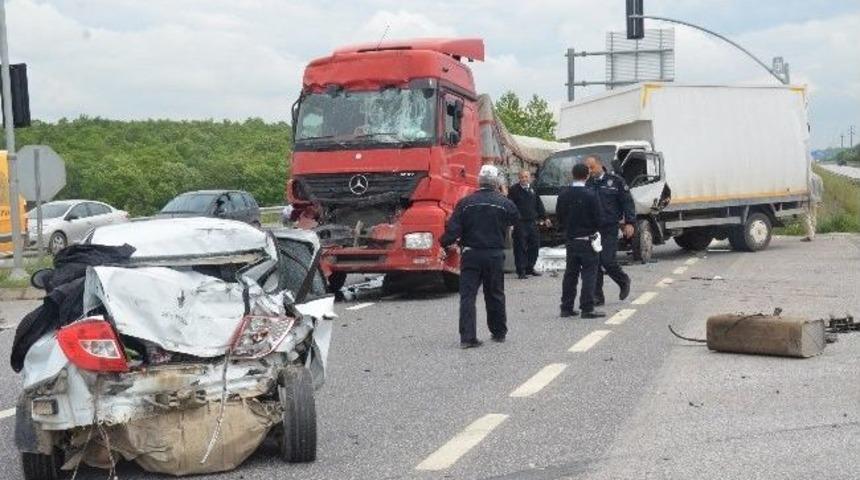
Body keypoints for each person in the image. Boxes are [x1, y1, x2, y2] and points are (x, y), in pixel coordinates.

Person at [441, 165, 520, 348]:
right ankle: (498, 331)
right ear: (497, 183)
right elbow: (516, 221)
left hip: (471, 254)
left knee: (468, 296)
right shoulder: (504, 202)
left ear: (479, 181)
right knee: (495, 293)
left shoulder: (465, 202)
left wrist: (444, 243)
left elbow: (453, 230)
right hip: (494, 254)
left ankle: (468, 338)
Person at [584, 155, 635, 305]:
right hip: (593, 228)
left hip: (610, 227)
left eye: (591, 167)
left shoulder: (615, 181)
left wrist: (630, 223)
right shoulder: (587, 183)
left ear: (600, 165)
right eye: (587, 168)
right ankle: (597, 296)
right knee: (594, 262)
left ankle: (623, 280)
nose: (589, 171)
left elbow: (627, 203)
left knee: (607, 260)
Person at [556, 163, 604, 318]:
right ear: (587, 176)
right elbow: (598, 218)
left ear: (572, 174)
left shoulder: (563, 194)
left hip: (571, 239)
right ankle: (587, 307)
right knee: (589, 273)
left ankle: (566, 307)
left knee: (570, 274)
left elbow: (559, 216)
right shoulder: (591, 194)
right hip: (587, 239)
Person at [507, 170, 548, 279]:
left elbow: (538, 204)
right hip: (520, 223)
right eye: (522, 177)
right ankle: (521, 270)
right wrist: (512, 222)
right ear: (518, 178)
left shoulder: (533, 189)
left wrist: (544, 217)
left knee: (534, 245)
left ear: (529, 177)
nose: (524, 179)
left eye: (526, 177)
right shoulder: (514, 190)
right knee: (520, 247)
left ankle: (530, 267)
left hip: (532, 222)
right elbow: (510, 206)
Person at [802, 171, 824, 241]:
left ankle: (810, 235)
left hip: (807, 199)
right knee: (813, 216)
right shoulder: (818, 177)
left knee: (807, 217)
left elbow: (805, 189)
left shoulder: (806, 177)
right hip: (816, 200)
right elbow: (821, 189)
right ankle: (813, 233)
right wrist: (819, 199)